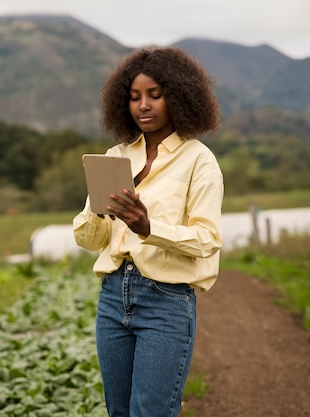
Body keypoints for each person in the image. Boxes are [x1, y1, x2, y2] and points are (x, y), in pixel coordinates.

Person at [73, 47, 223, 417]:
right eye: (135, 97)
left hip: (166, 302)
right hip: (112, 298)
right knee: (119, 412)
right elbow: (88, 239)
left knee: (150, 412)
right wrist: (97, 207)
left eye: (155, 95)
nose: (143, 105)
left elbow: (207, 240)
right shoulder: (116, 155)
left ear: (179, 96)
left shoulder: (198, 160)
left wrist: (148, 228)